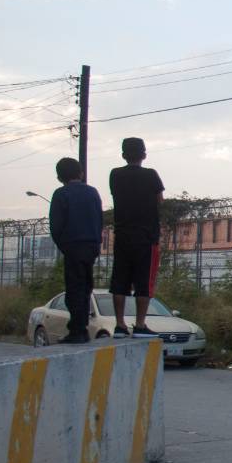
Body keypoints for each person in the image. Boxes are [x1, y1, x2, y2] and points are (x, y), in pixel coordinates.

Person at [108, 137, 164, 337]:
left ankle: (120, 324)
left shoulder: (115, 175)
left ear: (123, 155)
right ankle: (140, 324)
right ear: (144, 155)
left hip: (122, 234)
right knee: (144, 281)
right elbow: (159, 200)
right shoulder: (151, 175)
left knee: (120, 280)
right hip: (146, 236)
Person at [47, 157, 103, 344]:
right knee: (86, 286)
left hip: (73, 245)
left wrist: (64, 246)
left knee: (74, 288)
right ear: (81, 173)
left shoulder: (61, 194)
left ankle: (77, 330)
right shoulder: (92, 192)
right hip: (91, 245)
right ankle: (82, 327)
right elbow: (99, 219)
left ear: (58, 177)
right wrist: (96, 243)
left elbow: (56, 226)